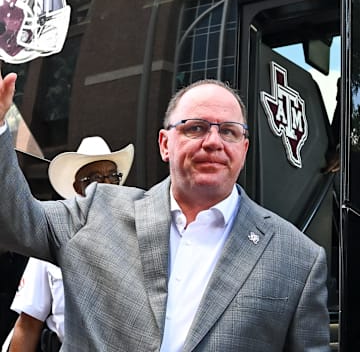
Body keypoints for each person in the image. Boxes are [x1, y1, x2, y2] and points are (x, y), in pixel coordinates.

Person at [0, 71, 330, 351]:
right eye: (195, 127)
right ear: (164, 144)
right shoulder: (95, 214)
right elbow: (14, 222)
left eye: (228, 131)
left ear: (243, 149)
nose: (213, 141)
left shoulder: (298, 259)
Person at [7, 136, 134, 352]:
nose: (105, 186)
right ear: (76, 187)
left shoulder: (137, 236)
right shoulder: (53, 236)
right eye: (94, 179)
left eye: (112, 177)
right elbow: (28, 325)